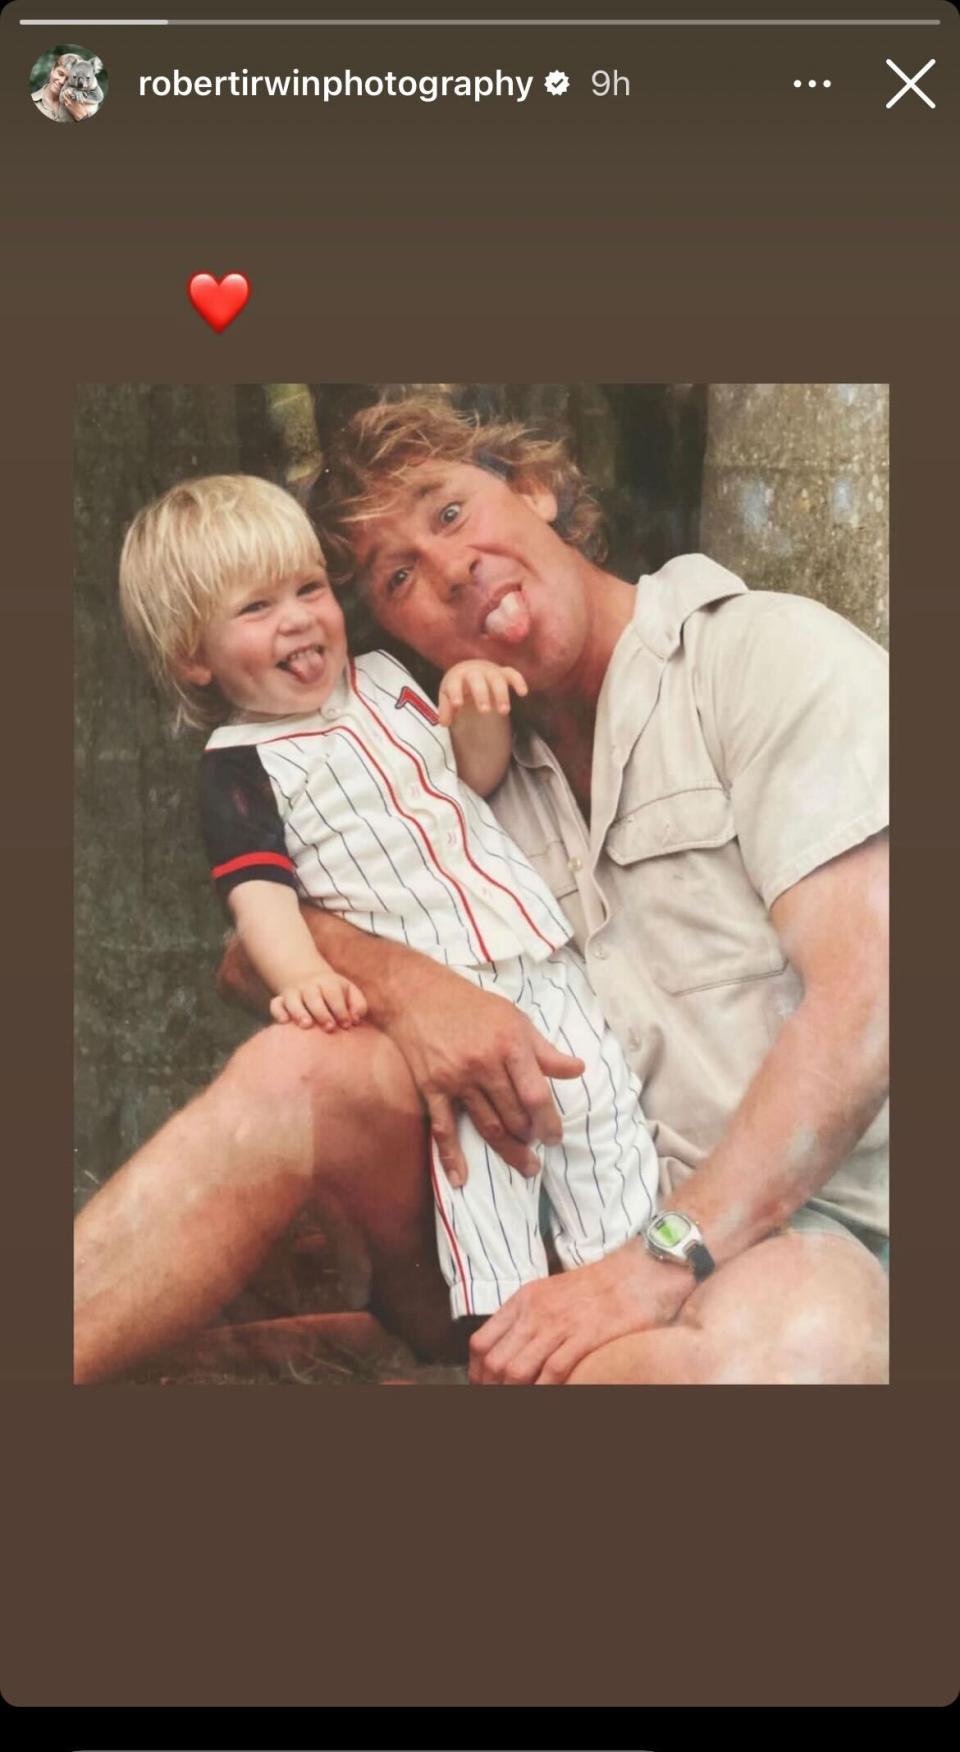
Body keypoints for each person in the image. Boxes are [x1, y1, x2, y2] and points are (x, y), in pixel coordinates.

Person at [75, 396, 888, 1387]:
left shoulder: (762, 658)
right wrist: (421, 995)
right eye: (399, 575)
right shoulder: (453, 757)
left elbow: (871, 1002)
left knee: (800, 1352)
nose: (450, 568)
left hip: (782, 1233)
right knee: (296, 1071)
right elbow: (256, 954)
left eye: (449, 512)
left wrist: (656, 1260)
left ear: (537, 490)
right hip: (530, 1211)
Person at [118, 473, 659, 1330]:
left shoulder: (381, 676)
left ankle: (624, 1287)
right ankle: (507, 1327)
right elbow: (260, 894)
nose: (298, 618)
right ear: (196, 655)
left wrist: (476, 709)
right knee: (485, 1162)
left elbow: (470, 780)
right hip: (436, 989)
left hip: (528, 945)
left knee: (598, 1107)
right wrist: (298, 975)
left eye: (307, 591)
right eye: (256, 610)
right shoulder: (241, 763)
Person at [31, 52, 99, 122]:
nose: (62, 81)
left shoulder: (81, 102)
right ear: (52, 70)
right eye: (60, 74)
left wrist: (83, 116)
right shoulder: (33, 100)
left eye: (68, 78)